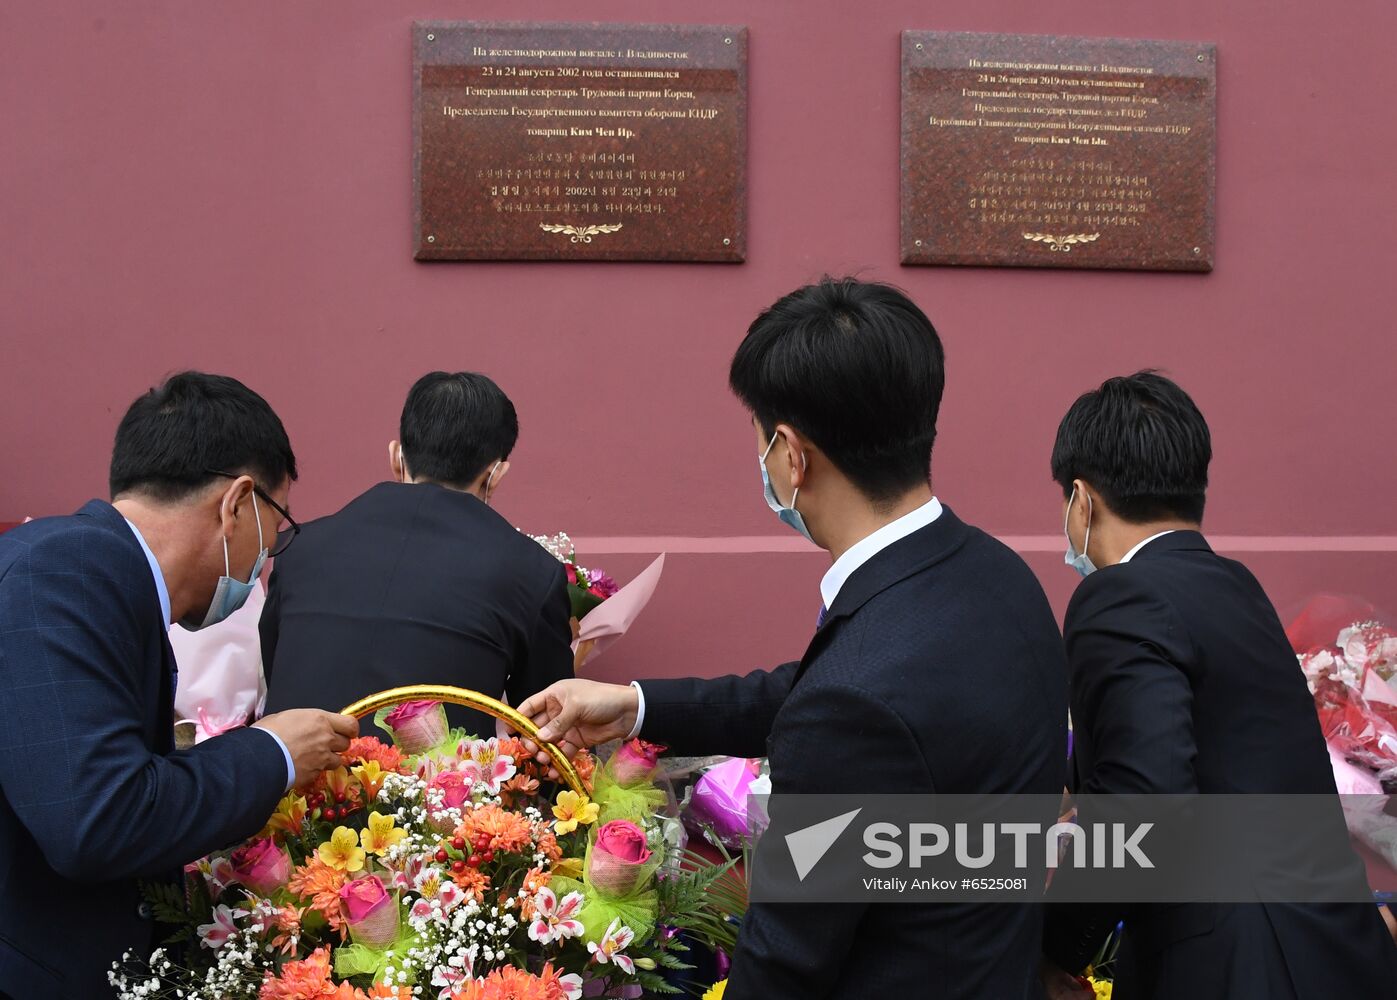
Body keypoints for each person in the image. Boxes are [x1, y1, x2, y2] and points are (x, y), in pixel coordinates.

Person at [518, 278, 1069, 1000]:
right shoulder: (993, 576)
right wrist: (635, 706)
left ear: (789, 455)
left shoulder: (859, 696)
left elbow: (787, 961)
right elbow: (837, 696)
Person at [0, 372, 358, 999]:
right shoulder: (67, 574)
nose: (269, 551)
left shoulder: (103, 574)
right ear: (238, 502)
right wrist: (270, 753)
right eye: (278, 523)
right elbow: (95, 820)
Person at [1040, 372, 1397, 998]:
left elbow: (1143, 798)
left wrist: (1057, 949)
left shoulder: (1118, 594)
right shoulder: (1237, 587)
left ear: (1082, 500)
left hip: (1234, 966)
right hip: (1335, 951)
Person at [262, 371, 574, 739]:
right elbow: (547, 729)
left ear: (397, 456)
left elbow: (275, 668)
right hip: (440, 794)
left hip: (288, 786)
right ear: (495, 474)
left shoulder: (301, 547)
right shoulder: (531, 572)